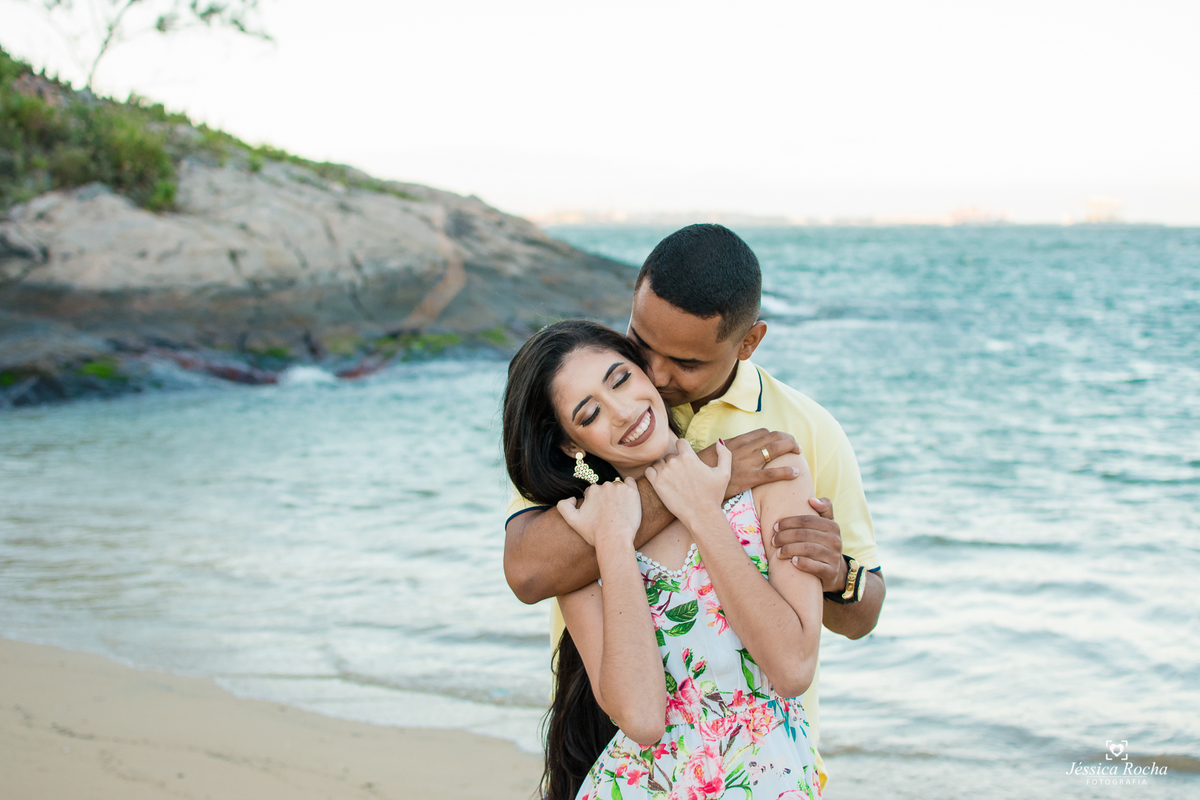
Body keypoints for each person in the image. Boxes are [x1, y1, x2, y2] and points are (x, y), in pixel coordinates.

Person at [505, 224, 885, 791]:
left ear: (748, 343)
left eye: (684, 361)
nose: (656, 377)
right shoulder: (587, 447)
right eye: (641, 343)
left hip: (763, 763)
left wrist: (838, 575)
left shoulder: (803, 435)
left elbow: (855, 617)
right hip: (608, 742)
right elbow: (532, 571)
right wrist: (704, 476)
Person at [503, 319, 824, 799]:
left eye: (621, 380)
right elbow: (643, 719)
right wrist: (614, 541)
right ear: (572, 444)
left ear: (646, 371)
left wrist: (698, 509)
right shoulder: (584, 543)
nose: (622, 412)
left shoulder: (771, 472)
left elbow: (793, 668)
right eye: (590, 414)